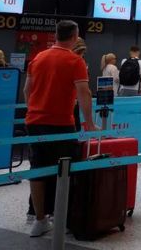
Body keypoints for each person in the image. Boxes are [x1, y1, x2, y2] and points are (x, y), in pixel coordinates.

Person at [23, 20, 96, 237]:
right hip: (61, 123)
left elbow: (27, 90)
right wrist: (89, 123)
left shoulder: (38, 58)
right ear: (74, 36)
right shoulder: (75, 61)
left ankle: (39, 219)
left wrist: (35, 110)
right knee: (65, 170)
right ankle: (62, 216)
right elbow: (84, 94)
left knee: (37, 169)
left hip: (34, 122)